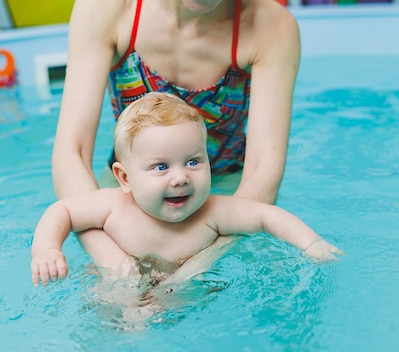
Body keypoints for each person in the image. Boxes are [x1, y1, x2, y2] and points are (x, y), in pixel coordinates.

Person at [51, 0, 301, 271]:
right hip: (126, 210)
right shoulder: (107, 4)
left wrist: (190, 269)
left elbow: (261, 177)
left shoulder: (271, 27)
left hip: (221, 217)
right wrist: (116, 260)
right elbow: (70, 151)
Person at [32, 94, 343, 287]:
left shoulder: (214, 213)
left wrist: (311, 243)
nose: (180, 178)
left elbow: (266, 216)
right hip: (116, 289)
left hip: (189, 298)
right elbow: (62, 210)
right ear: (124, 178)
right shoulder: (113, 207)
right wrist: (46, 249)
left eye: (193, 161)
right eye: (161, 167)